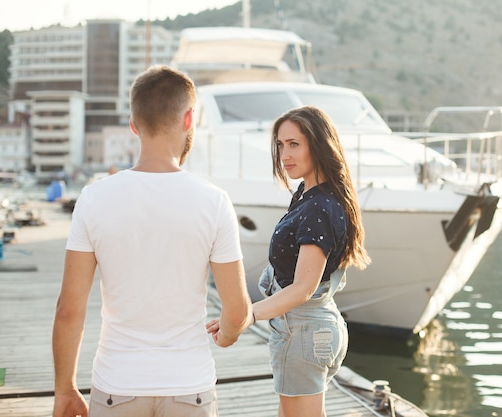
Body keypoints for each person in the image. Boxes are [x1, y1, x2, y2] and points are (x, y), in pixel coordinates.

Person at [52, 65, 253, 417]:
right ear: (189, 119)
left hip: (118, 384)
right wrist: (228, 335)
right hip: (189, 386)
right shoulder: (213, 200)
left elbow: (70, 310)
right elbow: (236, 312)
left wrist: (65, 389)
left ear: (134, 124)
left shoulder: (94, 198)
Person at [208, 105, 370, 417]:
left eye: (294, 144)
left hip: (303, 332)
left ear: (318, 144)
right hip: (315, 327)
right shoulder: (314, 194)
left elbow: (302, 289)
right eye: (281, 145)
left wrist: (245, 315)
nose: (285, 155)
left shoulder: (319, 207)